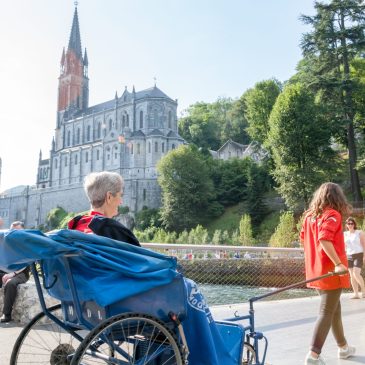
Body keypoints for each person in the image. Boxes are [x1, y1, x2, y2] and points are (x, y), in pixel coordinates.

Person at [300, 182, 355, 365]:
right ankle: (313, 355)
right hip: (330, 271)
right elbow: (324, 239)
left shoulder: (309, 216)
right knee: (326, 311)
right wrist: (338, 263)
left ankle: (343, 348)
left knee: (333, 310)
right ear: (337, 197)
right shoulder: (332, 214)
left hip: (315, 271)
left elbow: (303, 239)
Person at [68, 171, 140, 246]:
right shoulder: (117, 233)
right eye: (120, 195)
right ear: (109, 197)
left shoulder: (75, 228)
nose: (121, 202)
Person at [0, 221, 30, 323]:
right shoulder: (7, 242)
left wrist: (12, 274)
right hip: (6, 271)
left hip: (20, 273)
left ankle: (6, 314)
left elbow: (26, 263)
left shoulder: (25, 243)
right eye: (12, 231)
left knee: (10, 283)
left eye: (16, 231)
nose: (13, 233)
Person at [343, 217, 365, 299]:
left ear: (354, 224)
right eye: (348, 223)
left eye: (352, 223)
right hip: (349, 256)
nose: (350, 225)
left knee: (356, 273)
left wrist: (364, 256)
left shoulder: (359, 232)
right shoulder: (344, 234)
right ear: (346, 225)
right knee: (352, 275)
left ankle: (363, 291)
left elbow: (364, 245)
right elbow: (344, 246)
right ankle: (356, 294)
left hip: (358, 254)